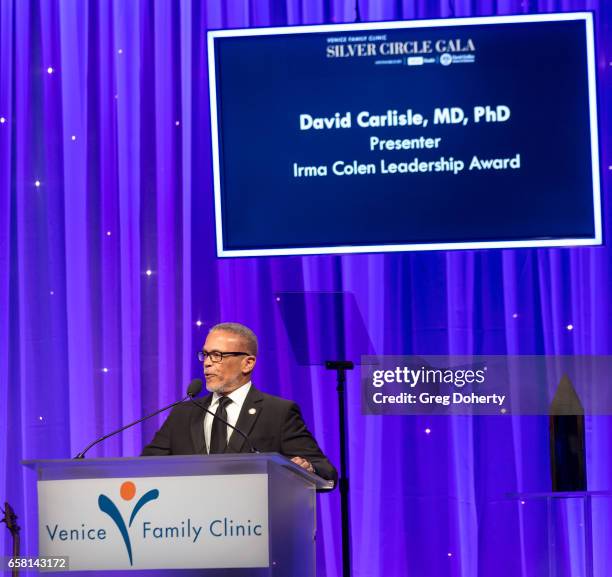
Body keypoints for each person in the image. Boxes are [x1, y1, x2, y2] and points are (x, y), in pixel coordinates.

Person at [142, 322, 337, 484]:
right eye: (205, 355)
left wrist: (307, 466)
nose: (207, 363)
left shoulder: (278, 412)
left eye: (217, 355)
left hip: (253, 526)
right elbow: (144, 468)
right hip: (190, 526)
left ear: (248, 363)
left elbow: (325, 470)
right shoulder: (183, 413)